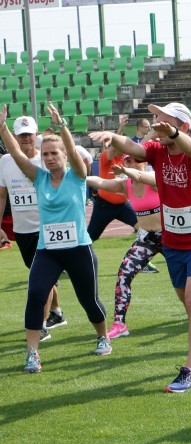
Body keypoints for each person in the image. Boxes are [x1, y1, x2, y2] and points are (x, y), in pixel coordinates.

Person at [90, 102, 191, 393]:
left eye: (163, 120)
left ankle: (190, 372)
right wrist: (112, 137)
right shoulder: (157, 151)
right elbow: (135, 148)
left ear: (182, 125)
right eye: (156, 118)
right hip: (173, 241)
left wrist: (175, 132)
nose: (156, 123)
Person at [0, 103, 113, 372]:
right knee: (36, 293)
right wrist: (2, 128)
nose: (49, 158)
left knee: (89, 300)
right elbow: (16, 154)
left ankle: (102, 336)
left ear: (63, 155)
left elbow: (73, 152)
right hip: (47, 250)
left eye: (54, 153)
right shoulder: (38, 177)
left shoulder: (78, 176)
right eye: (46, 154)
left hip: (78, 249)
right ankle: (32, 354)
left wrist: (62, 127)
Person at [0, 115, 65, 340]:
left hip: (47, 229)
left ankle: (41, 326)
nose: (26, 138)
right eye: (22, 134)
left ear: (36, 135)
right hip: (22, 230)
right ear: (15, 137)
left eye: (30, 134)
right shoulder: (5, 161)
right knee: (39, 274)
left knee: (42, 280)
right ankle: (57, 312)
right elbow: (1, 196)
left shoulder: (46, 160)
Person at [85, 155, 163, 339]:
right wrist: (73, 175)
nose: (133, 163)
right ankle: (119, 324)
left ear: (145, 162)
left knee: (183, 279)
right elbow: (101, 182)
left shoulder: (154, 179)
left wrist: (128, 171)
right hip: (146, 239)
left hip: (169, 237)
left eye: (137, 160)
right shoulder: (125, 185)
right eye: (128, 161)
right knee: (123, 276)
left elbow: (145, 178)